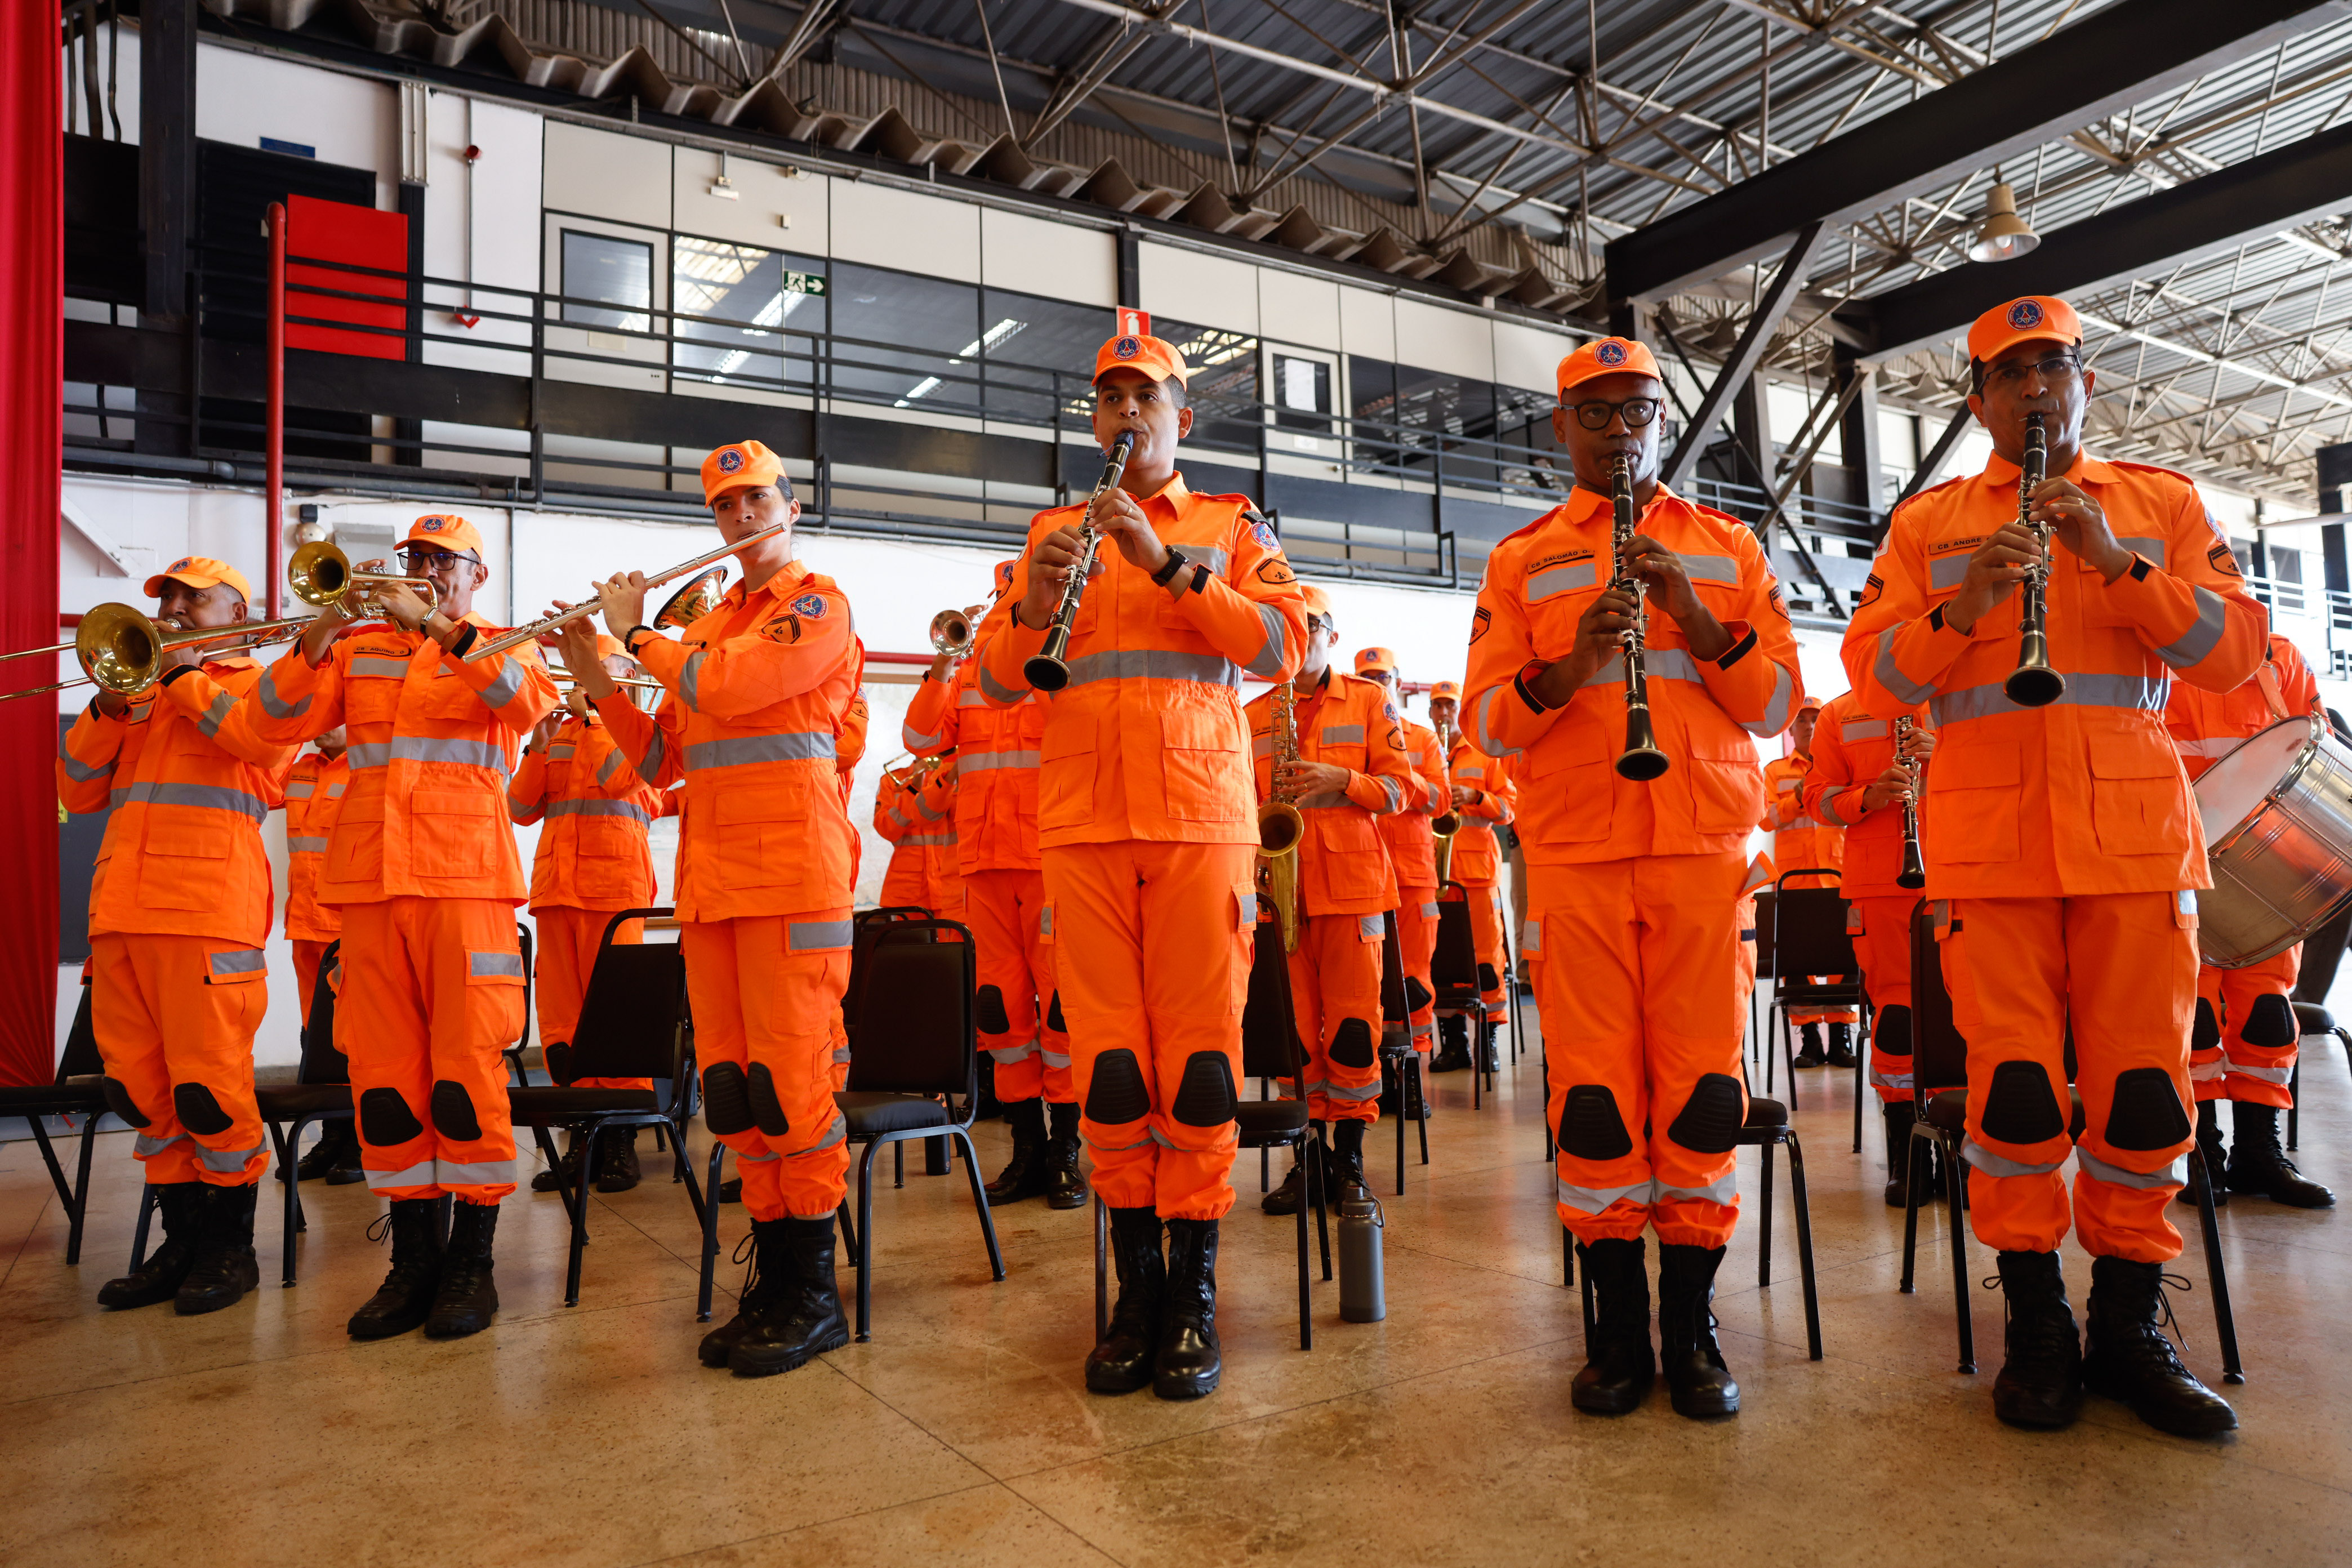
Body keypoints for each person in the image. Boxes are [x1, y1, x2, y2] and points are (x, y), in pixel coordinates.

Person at [1843, 294, 2265, 1437]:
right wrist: (1968, 604)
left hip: (2133, 842)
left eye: (2055, 367)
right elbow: (1873, 681)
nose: (2036, 388)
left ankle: (2127, 1325)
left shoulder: (2161, 505)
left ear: (2087, 383)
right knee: (2016, 1096)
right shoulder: (1931, 526)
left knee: (2143, 1091)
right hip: (1990, 849)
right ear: (1978, 399)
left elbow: (2235, 652)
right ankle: (2036, 1325)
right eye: (2011, 372)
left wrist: (2116, 565)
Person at [1465, 336, 1802, 1420]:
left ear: (1662, 420)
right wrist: (1568, 664)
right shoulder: (1521, 560)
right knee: (1597, 1103)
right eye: (1598, 412)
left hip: (1705, 853)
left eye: (1640, 411)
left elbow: (1776, 705)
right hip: (1577, 855)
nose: (1621, 430)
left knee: (1703, 1096)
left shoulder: (1728, 546)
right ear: (1561, 425)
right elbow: (1487, 723)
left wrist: (1696, 619)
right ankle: (1616, 1329)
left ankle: (1692, 1326)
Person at [979, 317, 1306, 1401]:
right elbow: (995, 679)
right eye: (1111, 398)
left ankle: (1194, 1292)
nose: (1128, 411)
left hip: (1200, 823)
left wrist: (1165, 565)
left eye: (1146, 397)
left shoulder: (1228, 523)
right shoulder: (1050, 529)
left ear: (1181, 417)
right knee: (1112, 1070)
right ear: (1094, 417)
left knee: (1200, 1068)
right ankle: (1136, 1292)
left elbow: (1283, 644)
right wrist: (1035, 604)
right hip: (1081, 823)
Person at [556, 440, 863, 1379]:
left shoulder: (817, 607)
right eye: (725, 505)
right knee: (734, 1091)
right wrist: (596, 674)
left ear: (791, 506)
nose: (740, 516)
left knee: (794, 1088)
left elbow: (727, 685)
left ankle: (815, 1294)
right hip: (716, 886)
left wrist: (634, 635)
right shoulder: (713, 624)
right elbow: (661, 761)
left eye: (756, 498)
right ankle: (773, 1278)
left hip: (794, 884)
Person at [225, 515, 555, 1343]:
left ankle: (471, 1263)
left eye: (446, 560)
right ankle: (413, 1260)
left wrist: (436, 626)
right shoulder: (358, 649)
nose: (428, 569)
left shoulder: (506, 643)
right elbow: (266, 725)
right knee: (385, 1080)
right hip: (370, 888)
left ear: (477, 575)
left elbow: (524, 707)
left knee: (465, 1075)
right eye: (418, 558)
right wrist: (321, 630)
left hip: (465, 884)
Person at [58, 557, 295, 1315]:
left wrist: (185, 677)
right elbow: (76, 791)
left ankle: (230, 1248)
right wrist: (111, 701)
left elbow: (265, 757)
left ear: (238, 612)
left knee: (208, 1090)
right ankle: (181, 1242)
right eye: (170, 597)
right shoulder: (139, 695)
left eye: (198, 597)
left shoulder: (259, 687)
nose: (178, 608)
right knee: (141, 1092)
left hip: (206, 913)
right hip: (121, 914)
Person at [903, 575, 1084, 1208]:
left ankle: (1066, 1150)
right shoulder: (970, 675)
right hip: (982, 863)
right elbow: (920, 739)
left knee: (1060, 1009)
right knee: (1001, 1015)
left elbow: (1080, 731)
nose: (1005, 612)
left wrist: (1042, 660)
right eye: (1003, 603)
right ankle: (1027, 1148)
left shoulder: (1062, 660)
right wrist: (946, 662)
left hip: (1049, 859)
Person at [1247, 593, 1412, 1210]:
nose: (1302, 635)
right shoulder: (1253, 712)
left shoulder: (1369, 700)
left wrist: (1343, 780)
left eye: (1311, 625)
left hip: (1353, 889)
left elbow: (1402, 790)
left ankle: (1350, 1162)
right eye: (1290, 625)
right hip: (1280, 894)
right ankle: (1308, 1161)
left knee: (1351, 1032)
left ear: (1332, 636)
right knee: (1295, 1037)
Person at [2164, 633, 2333, 1209]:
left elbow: (2315, 744)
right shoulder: (2146, 643)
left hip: (2267, 864)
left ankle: (2259, 1151)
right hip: (2177, 855)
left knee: (2267, 1015)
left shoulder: (2277, 653)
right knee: (2193, 1019)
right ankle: (2202, 1152)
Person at [507, 636, 666, 1196]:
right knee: (563, 1022)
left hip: (613, 894)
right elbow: (519, 808)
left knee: (616, 1018)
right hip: (556, 892)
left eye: (592, 671)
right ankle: (582, 1135)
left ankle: (620, 1139)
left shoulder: (636, 732)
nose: (577, 679)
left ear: (619, 676)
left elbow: (621, 778)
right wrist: (535, 747)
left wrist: (598, 714)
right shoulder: (558, 734)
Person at [1797, 690, 1935, 1202]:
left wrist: (1945, 757)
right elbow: (1817, 799)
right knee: (1897, 1017)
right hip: (1880, 883)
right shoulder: (1840, 713)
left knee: (1968, 1013)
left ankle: (1965, 1148)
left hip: (1966, 868)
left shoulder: (1962, 689)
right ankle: (1908, 1153)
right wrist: (1869, 797)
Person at [1358, 647, 1450, 1088]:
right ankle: (1379, 1075)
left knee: (1415, 975)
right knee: (1367, 978)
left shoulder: (1424, 739)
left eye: (1383, 677)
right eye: (1367, 678)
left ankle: (1411, 1070)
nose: (1377, 684)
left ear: (1398, 682)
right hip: (1362, 872)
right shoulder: (1353, 735)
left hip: (1414, 874)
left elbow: (1442, 800)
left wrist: (1399, 776)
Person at [280, 725, 361, 1184]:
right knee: (317, 1038)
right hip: (306, 924)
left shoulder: (370, 766)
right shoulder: (299, 770)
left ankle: (362, 1141)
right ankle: (332, 1136)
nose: (321, 723)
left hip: (350, 924)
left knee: (358, 1037)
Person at [1763, 697, 1856, 1068]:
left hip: (1840, 877)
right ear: (1790, 728)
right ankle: (1810, 1040)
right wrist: (1797, 800)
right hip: (1795, 883)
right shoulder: (1775, 772)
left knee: (1845, 958)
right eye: (1801, 720)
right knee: (1797, 963)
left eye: (1815, 719)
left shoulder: (1843, 764)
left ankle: (1841, 1035)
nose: (1809, 726)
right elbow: (1765, 818)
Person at [1428, 680, 1512, 1071]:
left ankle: (1487, 1041)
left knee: (1486, 959)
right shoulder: (1424, 752)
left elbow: (1509, 810)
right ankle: (1454, 1044)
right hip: (1435, 875)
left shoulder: (1486, 753)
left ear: (1460, 711)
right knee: (1441, 959)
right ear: (1430, 712)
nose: (1444, 713)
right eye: (1438, 706)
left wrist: (1477, 797)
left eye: (1450, 706)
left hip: (1478, 876)